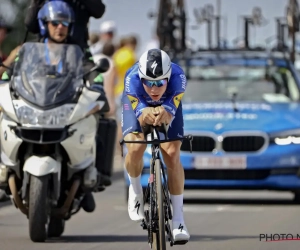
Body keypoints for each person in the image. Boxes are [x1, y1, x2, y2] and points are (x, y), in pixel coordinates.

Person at [1, 1, 104, 213]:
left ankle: (91, 175)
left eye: (64, 23)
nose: (60, 27)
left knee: (99, 119)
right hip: (36, 102)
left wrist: (98, 89)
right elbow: (9, 74)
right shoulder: (31, 52)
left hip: (68, 93)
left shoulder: (79, 54)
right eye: (55, 23)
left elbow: (96, 74)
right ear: (46, 24)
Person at [122, 48, 190, 243]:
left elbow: (170, 110)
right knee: (135, 147)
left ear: (168, 77)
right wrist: (144, 112)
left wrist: (166, 112)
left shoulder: (178, 77)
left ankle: (178, 219)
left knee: (172, 153)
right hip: (136, 101)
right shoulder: (132, 79)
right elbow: (140, 113)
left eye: (160, 83)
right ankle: (135, 191)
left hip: (168, 103)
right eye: (149, 83)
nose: (154, 89)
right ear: (141, 78)